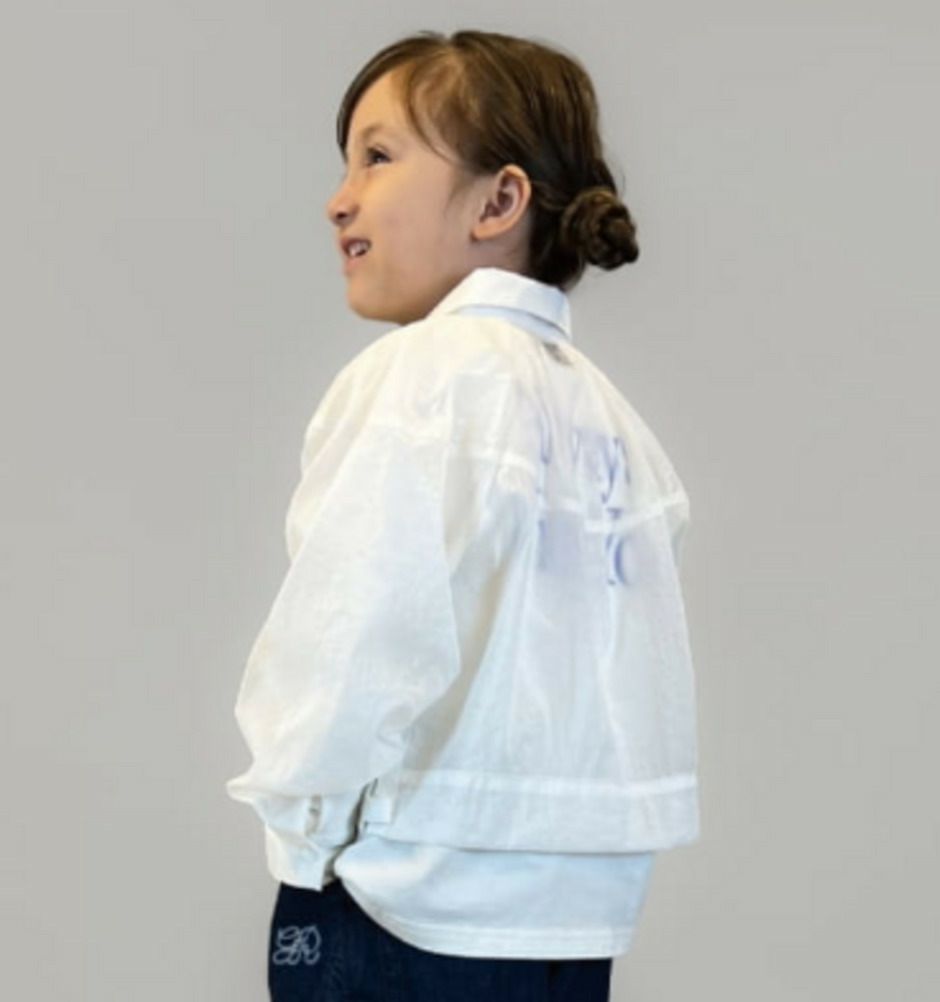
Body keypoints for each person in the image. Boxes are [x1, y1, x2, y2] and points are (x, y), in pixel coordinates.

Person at [225, 28, 700, 1002]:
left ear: (499, 201)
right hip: (568, 924)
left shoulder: (422, 378)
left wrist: (307, 838)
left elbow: (352, 631)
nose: (340, 198)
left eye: (379, 156)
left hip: (403, 908)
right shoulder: (614, 427)